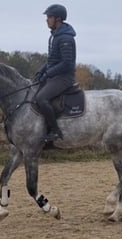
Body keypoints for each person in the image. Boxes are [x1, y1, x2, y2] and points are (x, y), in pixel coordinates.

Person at [34, 4, 77, 142]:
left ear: (58, 19)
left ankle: (55, 131)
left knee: (41, 98)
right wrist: (41, 71)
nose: (47, 20)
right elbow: (52, 59)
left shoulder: (65, 38)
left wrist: (49, 73)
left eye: (49, 17)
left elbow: (66, 63)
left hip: (64, 77)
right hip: (55, 75)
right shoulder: (54, 36)